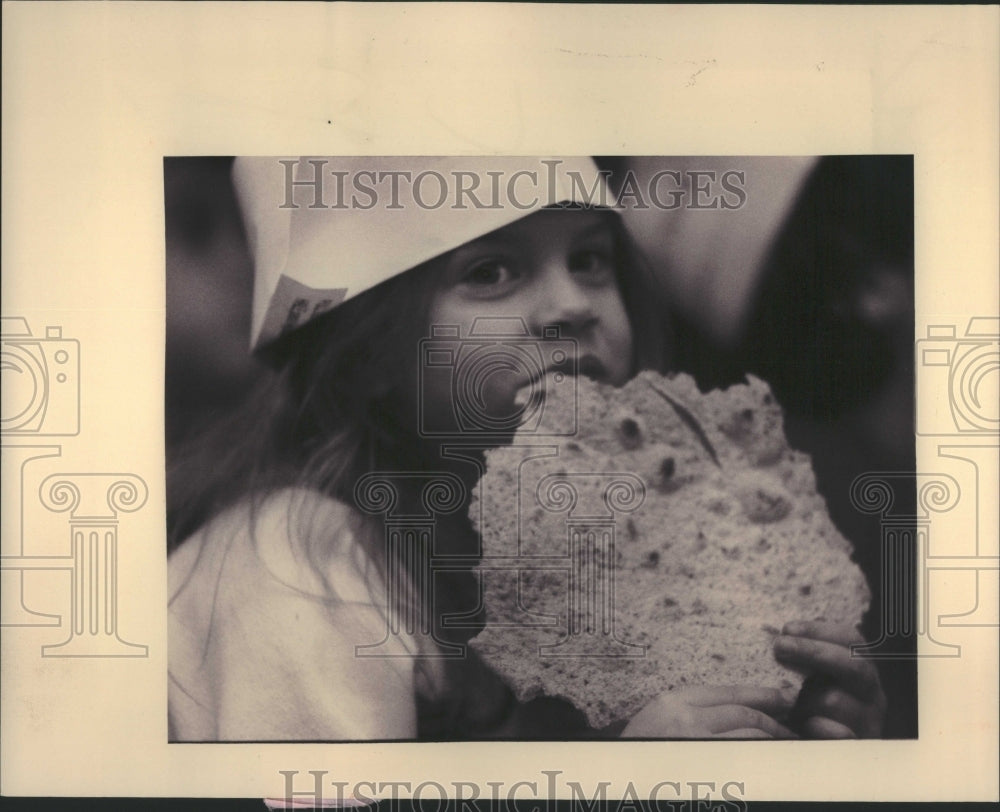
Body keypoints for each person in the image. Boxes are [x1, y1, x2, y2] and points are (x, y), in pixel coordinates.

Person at [167, 156, 885, 742]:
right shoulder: (292, 566)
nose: (574, 303)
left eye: (591, 258)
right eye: (490, 273)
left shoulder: (586, 576)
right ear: (365, 358)